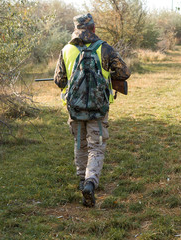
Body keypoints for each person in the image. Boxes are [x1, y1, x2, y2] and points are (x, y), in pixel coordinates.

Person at [54, 13, 131, 207]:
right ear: (93, 28)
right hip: (98, 109)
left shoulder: (66, 49)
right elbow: (124, 72)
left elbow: (59, 80)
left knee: (80, 145)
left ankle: (82, 181)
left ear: (76, 29)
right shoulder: (104, 48)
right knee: (96, 147)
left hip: (75, 108)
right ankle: (90, 182)